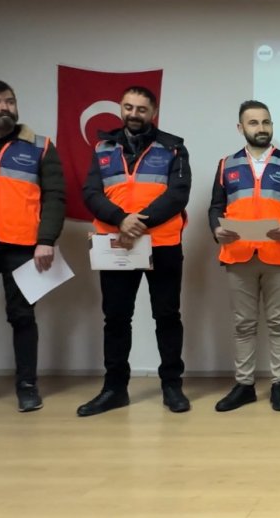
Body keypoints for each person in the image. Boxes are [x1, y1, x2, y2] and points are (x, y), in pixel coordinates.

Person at [78, 86, 191, 416]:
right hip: (116, 244)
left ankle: (172, 386)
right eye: (128, 107)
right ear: (121, 108)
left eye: (141, 109)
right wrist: (120, 220)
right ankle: (114, 389)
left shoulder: (173, 148)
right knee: (116, 318)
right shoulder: (103, 148)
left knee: (167, 316)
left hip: (162, 245)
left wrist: (138, 223)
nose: (134, 114)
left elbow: (178, 193)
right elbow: (91, 192)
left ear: (153, 112)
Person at [208, 101, 280, 412]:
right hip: (238, 254)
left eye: (266, 122)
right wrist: (216, 230)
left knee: (279, 322)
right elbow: (215, 206)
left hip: (279, 253)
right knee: (243, 324)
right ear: (241, 128)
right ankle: (244, 385)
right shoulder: (226, 165)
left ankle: (279, 384)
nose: (261, 128)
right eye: (253, 123)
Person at [0, 79, 65, 412]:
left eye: (10, 101)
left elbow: (55, 197)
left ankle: (27, 387)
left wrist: (46, 240)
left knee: (22, 317)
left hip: (24, 246)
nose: (4, 107)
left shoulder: (40, 146)